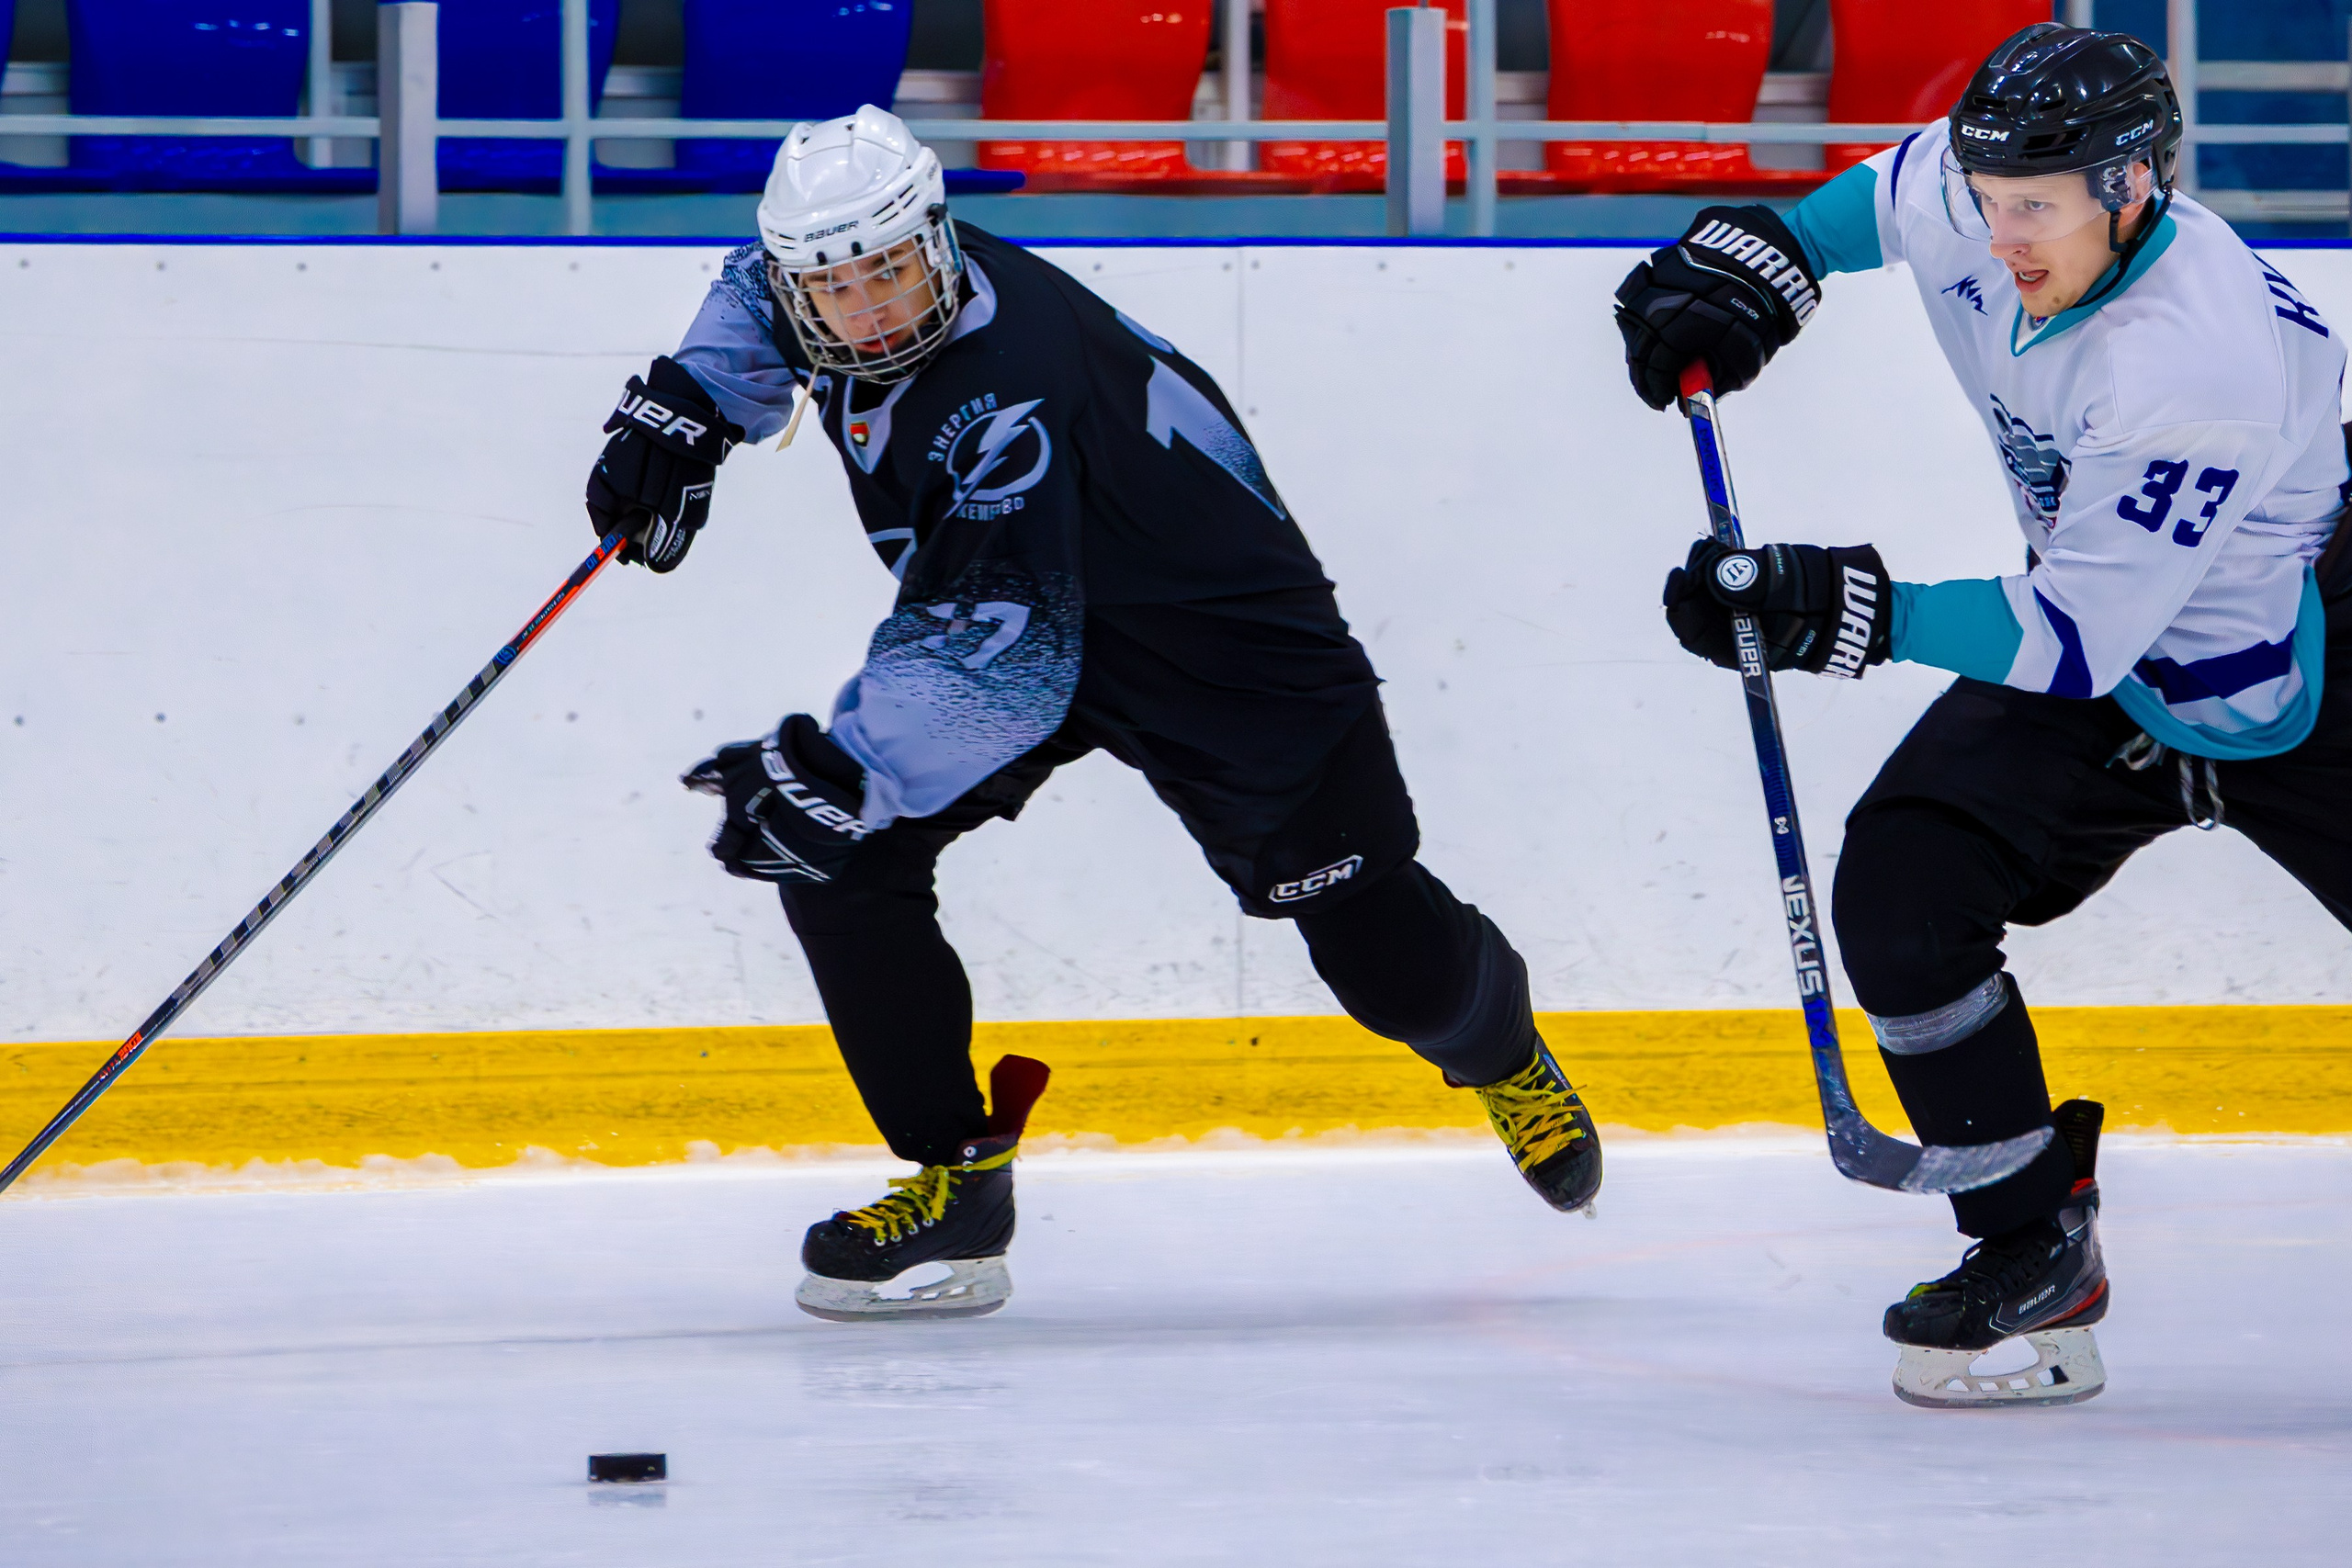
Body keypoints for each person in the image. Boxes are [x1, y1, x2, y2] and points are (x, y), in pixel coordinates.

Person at [583, 107, 1602, 1323]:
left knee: (1384, 958)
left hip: (1226, 653)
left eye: (891, 275)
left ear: (938, 244)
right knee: (842, 861)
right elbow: (762, 287)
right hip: (1030, 608)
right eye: (838, 290)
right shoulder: (836, 280)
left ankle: (1499, 1047)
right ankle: (957, 1179)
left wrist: (840, 771)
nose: (869, 312)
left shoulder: (1002, 392)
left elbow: (994, 659)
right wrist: (691, 400)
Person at [1614, 24, 2349, 1406]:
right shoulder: (1997, 181)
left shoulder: (2195, 360)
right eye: (1991, 198)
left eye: (2036, 213)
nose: (2000, 234)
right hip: (2122, 649)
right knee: (1904, 889)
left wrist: (1839, 608)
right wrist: (1762, 270)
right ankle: (2029, 1243)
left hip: (2294, 642)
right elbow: (1871, 207)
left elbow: (2071, 638)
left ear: (2132, 187)